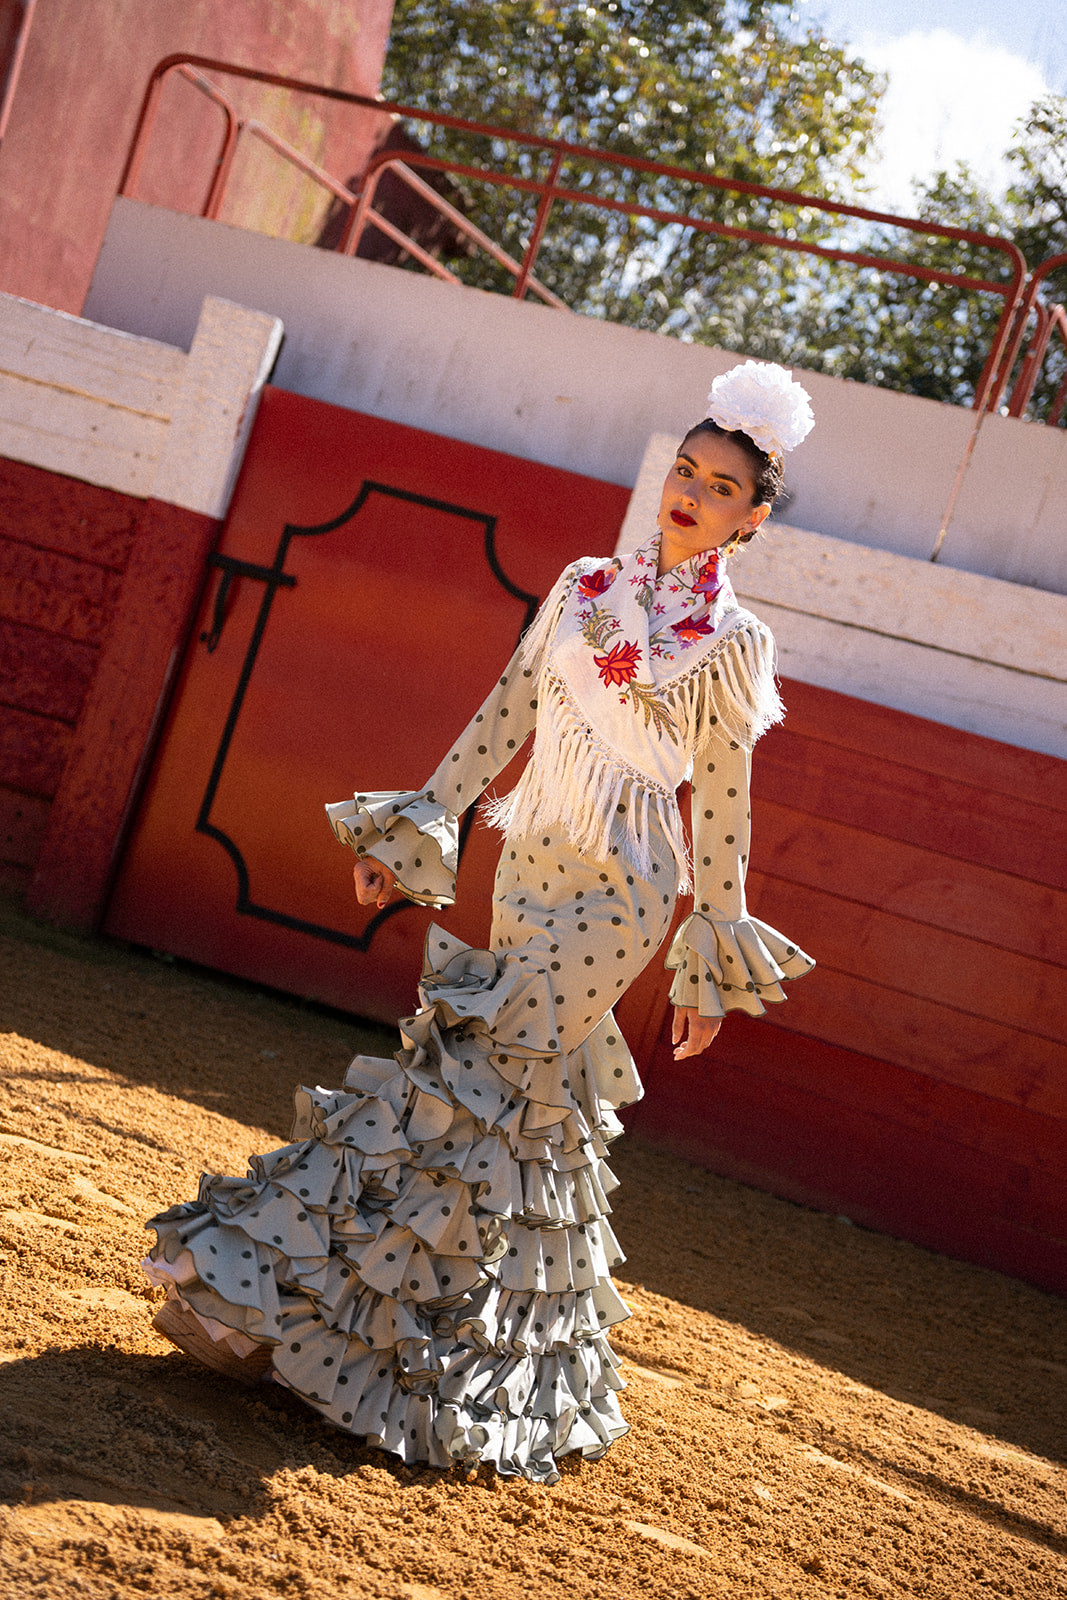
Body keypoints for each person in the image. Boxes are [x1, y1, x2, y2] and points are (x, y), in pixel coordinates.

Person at [145, 360, 816, 1484]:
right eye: (683, 470)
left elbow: (724, 807)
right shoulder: (583, 584)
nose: (690, 492)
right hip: (527, 866)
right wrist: (419, 830)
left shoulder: (733, 645)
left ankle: (271, 1310)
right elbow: (505, 705)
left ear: (751, 518)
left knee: (456, 1079)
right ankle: (484, 1368)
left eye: (720, 485)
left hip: (621, 889)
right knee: (510, 1117)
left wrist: (706, 961)